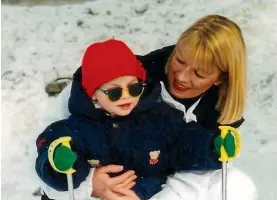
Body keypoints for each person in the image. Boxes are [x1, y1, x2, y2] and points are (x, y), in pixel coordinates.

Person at [38, 14, 258, 200]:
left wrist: (215, 147)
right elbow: (46, 144)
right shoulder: (124, 75)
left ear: (220, 78)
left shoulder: (207, 112)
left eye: (199, 73)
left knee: (238, 185)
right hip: (97, 187)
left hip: (150, 187)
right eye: (179, 60)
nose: (181, 76)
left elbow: (185, 149)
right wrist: (89, 185)